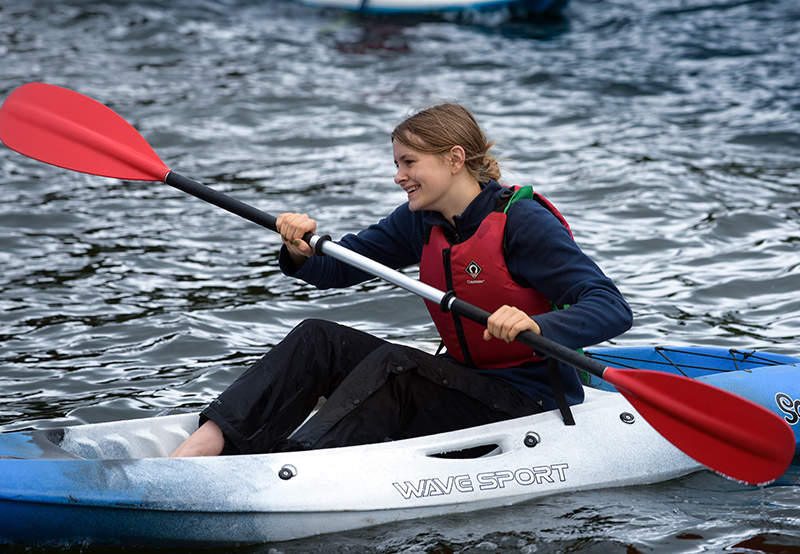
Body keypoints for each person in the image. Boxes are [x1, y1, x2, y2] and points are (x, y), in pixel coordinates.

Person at [170, 103, 632, 457]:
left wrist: (537, 327)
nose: (398, 176)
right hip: (466, 385)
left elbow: (610, 306)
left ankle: (293, 466)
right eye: (397, 164)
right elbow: (339, 267)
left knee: (396, 366)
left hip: (530, 404)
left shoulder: (521, 223)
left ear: (454, 159)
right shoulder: (421, 220)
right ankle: (194, 456)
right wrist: (300, 247)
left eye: (409, 163)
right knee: (318, 338)